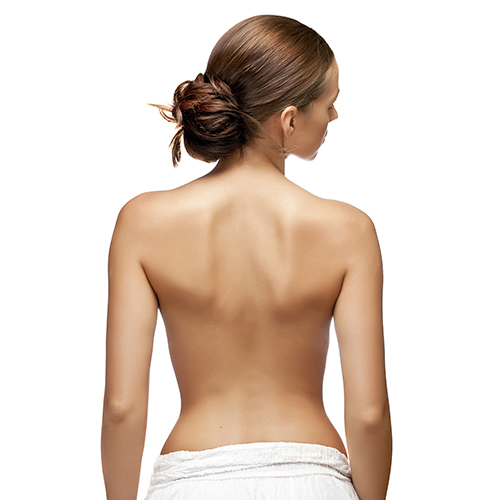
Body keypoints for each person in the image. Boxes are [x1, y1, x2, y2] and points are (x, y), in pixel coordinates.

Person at [101, 14, 392, 500]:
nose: (334, 117)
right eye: (329, 104)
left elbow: (121, 407)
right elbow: (369, 415)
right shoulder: (349, 231)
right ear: (290, 120)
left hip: (191, 482)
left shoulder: (142, 222)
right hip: (312, 479)